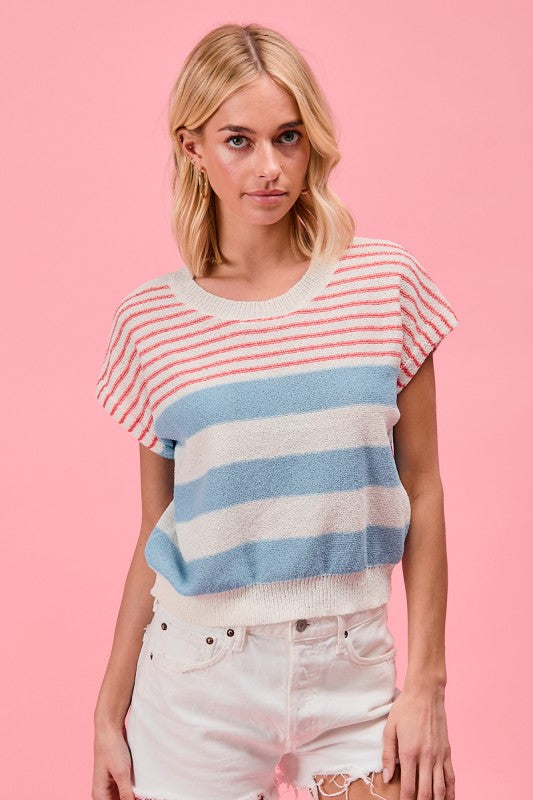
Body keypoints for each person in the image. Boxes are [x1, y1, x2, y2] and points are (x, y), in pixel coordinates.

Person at [91, 22, 458, 800]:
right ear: (193, 148)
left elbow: (422, 489)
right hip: (195, 677)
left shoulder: (383, 285)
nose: (269, 167)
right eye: (239, 140)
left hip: (352, 665)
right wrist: (106, 712)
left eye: (287, 137)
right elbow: (156, 528)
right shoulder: (151, 322)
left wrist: (426, 683)